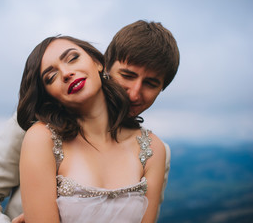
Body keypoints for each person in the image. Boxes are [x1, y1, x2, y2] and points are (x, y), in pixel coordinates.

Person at [0, 20, 179, 223]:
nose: (134, 94)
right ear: (104, 64)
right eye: (127, 76)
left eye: (150, 84)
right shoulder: (34, 127)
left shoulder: (154, 150)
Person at [18, 35, 166, 222]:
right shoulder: (41, 139)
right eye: (51, 76)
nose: (66, 73)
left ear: (97, 62)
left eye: (72, 58)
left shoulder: (152, 148)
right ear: (49, 95)